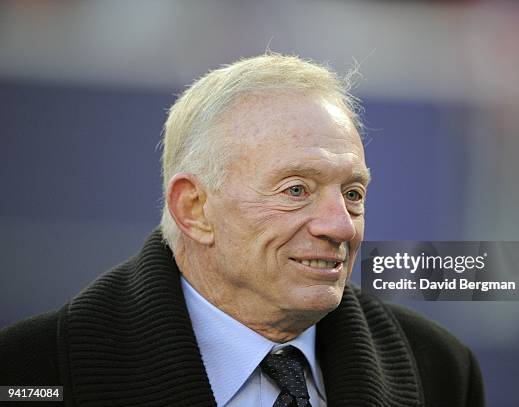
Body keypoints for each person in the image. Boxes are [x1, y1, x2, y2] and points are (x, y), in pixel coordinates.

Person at [0, 53, 484, 407]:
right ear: (194, 210)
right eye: (296, 190)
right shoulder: (29, 372)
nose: (340, 225)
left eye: (353, 194)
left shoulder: (440, 371)